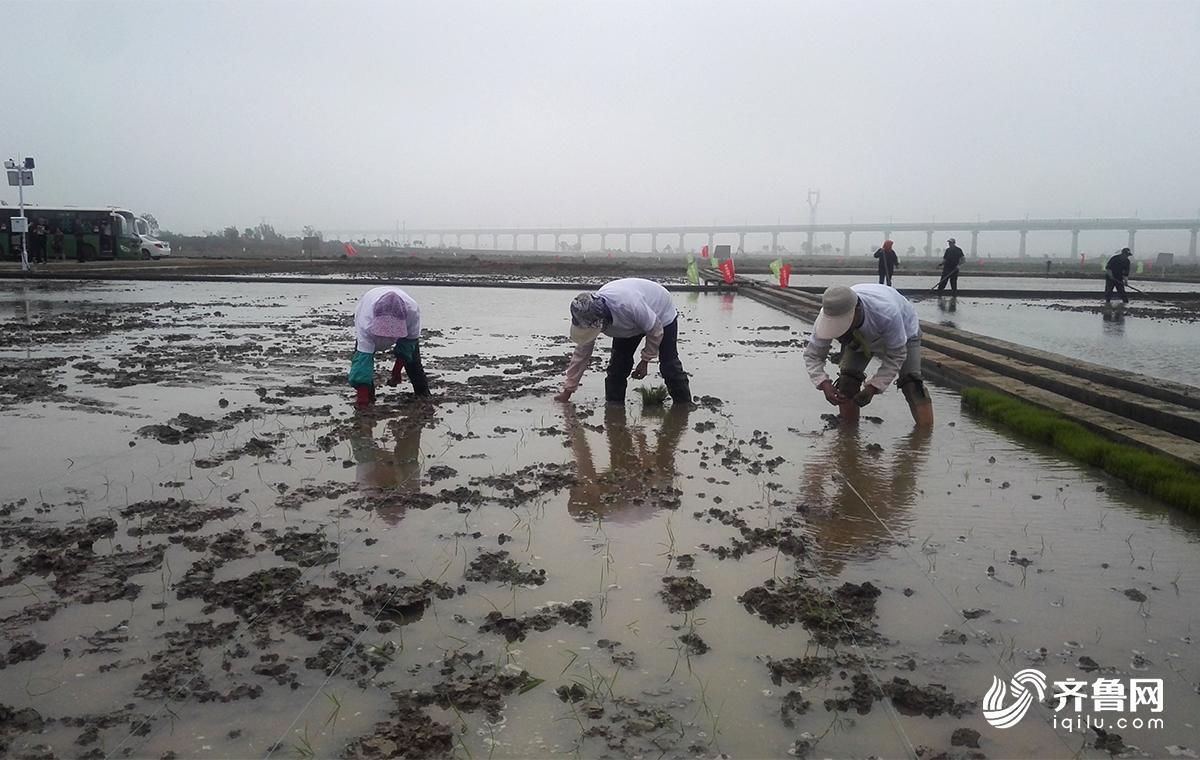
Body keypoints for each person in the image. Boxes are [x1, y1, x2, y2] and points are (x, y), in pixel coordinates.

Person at [804, 284, 933, 426]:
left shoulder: (886, 313)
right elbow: (813, 355)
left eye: (843, 324)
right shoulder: (828, 313)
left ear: (857, 309)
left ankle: (924, 438)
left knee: (912, 384)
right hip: (860, 336)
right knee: (847, 382)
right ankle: (848, 437)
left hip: (904, 333)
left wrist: (874, 387)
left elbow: (896, 354)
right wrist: (824, 383)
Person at [555, 277, 691, 406]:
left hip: (660, 311)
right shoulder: (588, 317)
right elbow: (581, 354)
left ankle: (684, 405)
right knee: (617, 367)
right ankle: (614, 408)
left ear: (602, 321)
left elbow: (655, 330)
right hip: (630, 323)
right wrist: (568, 391)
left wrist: (645, 360)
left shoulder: (629, 305)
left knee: (669, 365)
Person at [348, 286, 430, 408]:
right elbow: (363, 363)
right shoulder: (366, 322)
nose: (389, 336)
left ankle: (423, 395)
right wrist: (362, 402)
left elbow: (408, 344)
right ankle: (368, 398)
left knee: (413, 361)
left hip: (405, 319)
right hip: (369, 306)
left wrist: (397, 371)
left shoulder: (412, 312)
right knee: (362, 362)